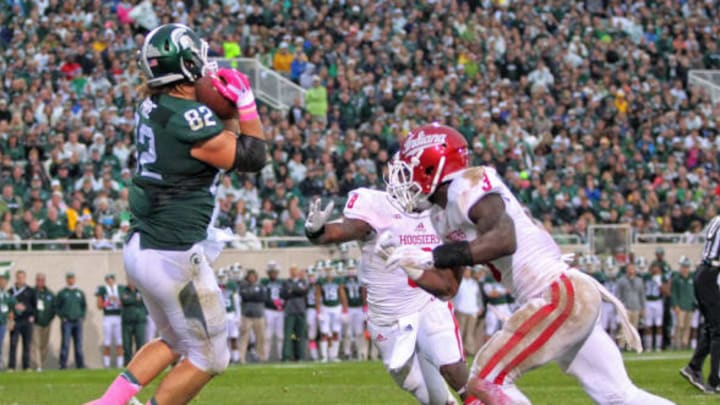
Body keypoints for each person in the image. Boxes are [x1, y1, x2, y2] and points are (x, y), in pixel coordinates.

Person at [383, 123, 672, 405]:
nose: (403, 179)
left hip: (557, 294)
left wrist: (437, 255)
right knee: (618, 396)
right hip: (565, 298)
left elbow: (504, 239)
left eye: (409, 168)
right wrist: (411, 266)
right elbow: (447, 286)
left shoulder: (466, 184)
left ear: (434, 166)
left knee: (485, 379)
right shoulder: (439, 214)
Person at [86, 23, 267, 405]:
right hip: (174, 256)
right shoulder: (188, 119)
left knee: (174, 338)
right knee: (211, 356)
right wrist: (246, 105)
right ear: (184, 64)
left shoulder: (154, 105)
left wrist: (226, 111)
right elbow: (251, 157)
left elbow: (223, 146)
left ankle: (109, 402)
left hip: (142, 248)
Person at [305, 187, 478, 404]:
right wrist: (317, 232)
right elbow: (343, 230)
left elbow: (448, 288)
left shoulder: (447, 215)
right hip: (387, 318)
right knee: (421, 388)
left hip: (427, 303)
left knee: (452, 367)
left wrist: (413, 264)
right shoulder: (377, 204)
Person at [681, 216, 720, 393]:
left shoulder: (716, 219)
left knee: (711, 327)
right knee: (718, 330)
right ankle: (715, 381)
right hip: (712, 274)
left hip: (704, 273)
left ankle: (694, 367)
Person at [315, 262, 347, 363]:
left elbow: (342, 295)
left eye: (330, 270)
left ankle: (334, 355)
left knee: (336, 332)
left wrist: (344, 311)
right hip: (325, 307)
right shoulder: (321, 281)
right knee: (324, 332)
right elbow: (317, 296)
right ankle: (324, 356)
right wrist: (318, 311)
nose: (329, 272)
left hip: (336, 307)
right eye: (327, 270)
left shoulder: (338, 280)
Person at [56, 272, 86, 369]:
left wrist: (82, 315)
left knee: (78, 344)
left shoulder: (79, 293)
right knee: (65, 343)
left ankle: (80, 364)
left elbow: (83, 306)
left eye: (72, 278)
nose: (71, 280)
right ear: (66, 280)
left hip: (77, 321)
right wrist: (62, 316)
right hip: (67, 321)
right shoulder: (62, 293)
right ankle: (63, 364)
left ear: (74, 279)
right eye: (69, 278)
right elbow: (57, 307)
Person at [8, 269, 35, 371]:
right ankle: (11, 366)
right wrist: (13, 310)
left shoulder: (30, 291)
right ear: (16, 278)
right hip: (15, 321)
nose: (20, 279)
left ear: (25, 278)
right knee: (13, 343)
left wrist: (26, 308)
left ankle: (26, 366)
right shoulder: (11, 291)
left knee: (27, 344)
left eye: (22, 277)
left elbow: (34, 306)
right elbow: (7, 305)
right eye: (18, 277)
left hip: (26, 321)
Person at [280, 264, 309, 361]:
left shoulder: (302, 281)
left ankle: (300, 355)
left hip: (300, 309)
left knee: (300, 335)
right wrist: (295, 291)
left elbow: (304, 291)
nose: (293, 272)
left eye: (295, 270)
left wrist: (292, 290)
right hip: (290, 310)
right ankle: (287, 355)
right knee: (289, 335)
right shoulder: (286, 282)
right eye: (291, 270)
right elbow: (283, 294)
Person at [238, 270, 266, 364]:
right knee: (244, 337)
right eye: (250, 276)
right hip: (247, 315)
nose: (251, 278)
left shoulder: (260, 286)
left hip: (258, 315)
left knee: (260, 337)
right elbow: (244, 296)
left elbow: (262, 298)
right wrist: (253, 295)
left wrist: (251, 295)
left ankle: (261, 357)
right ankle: (241, 358)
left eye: (253, 276)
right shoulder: (244, 286)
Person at [341, 259, 367, 360]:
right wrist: (344, 310)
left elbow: (364, 292)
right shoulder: (343, 280)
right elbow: (342, 295)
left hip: (359, 308)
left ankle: (362, 352)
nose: (351, 271)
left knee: (359, 332)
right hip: (350, 308)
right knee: (347, 332)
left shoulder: (360, 279)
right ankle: (347, 352)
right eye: (349, 269)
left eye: (352, 268)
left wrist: (365, 307)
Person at [96, 273, 123, 368]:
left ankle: (120, 364)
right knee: (107, 342)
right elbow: (99, 306)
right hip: (107, 317)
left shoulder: (120, 289)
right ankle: (106, 364)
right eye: (108, 279)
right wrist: (107, 301)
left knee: (120, 341)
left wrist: (117, 301)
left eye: (111, 279)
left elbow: (125, 303)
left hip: (119, 316)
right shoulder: (102, 289)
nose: (110, 281)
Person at [453, 267, 482, 355]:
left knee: (470, 333)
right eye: (466, 271)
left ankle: (470, 351)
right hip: (461, 310)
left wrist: (480, 307)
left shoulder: (474, 283)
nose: (467, 273)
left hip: (473, 311)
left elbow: (478, 297)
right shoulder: (459, 282)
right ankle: (456, 351)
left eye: (469, 271)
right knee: (459, 332)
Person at [643, 263, 670, 352]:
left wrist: (659, 283)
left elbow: (666, 292)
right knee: (648, 325)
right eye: (653, 268)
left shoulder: (662, 278)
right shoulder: (646, 277)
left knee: (659, 325)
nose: (655, 270)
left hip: (658, 301)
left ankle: (658, 346)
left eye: (657, 268)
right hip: (648, 301)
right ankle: (648, 346)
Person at [119, 280, 147, 366]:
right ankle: (127, 364)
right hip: (127, 321)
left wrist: (131, 300)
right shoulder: (123, 290)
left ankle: (139, 364)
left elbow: (145, 301)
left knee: (140, 343)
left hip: (140, 320)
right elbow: (124, 300)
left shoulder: (142, 290)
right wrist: (136, 300)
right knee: (127, 344)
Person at [261, 261, 284, 361]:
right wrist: (272, 303)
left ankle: (281, 356)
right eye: (271, 272)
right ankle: (265, 357)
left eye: (275, 272)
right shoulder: (264, 282)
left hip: (280, 311)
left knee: (280, 335)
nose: (273, 274)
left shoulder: (282, 282)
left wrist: (282, 302)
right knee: (267, 335)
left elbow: (285, 294)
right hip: (269, 310)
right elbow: (263, 296)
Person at [32, 273, 56, 371]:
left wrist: (49, 318)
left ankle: (41, 363)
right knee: (36, 344)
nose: (40, 282)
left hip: (47, 323)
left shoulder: (50, 294)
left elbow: (54, 308)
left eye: (42, 280)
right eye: (38, 280)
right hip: (36, 323)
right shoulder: (32, 293)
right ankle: (38, 365)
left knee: (44, 345)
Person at [217, 268, 241, 364]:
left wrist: (238, 315)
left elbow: (236, 302)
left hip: (231, 314)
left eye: (222, 277)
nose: (221, 279)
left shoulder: (231, 286)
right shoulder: (215, 286)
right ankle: (227, 357)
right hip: (221, 315)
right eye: (219, 277)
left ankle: (236, 357)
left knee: (233, 336)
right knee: (224, 338)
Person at [616, 263, 646, 339]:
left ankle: (632, 345)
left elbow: (641, 295)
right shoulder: (621, 281)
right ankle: (622, 345)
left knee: (634, 327)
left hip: (636, 307)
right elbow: (618, 294)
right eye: (629, 269)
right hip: (626, 307)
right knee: (624, 328)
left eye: (632, 269)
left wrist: (643, 307)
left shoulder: (639, 281)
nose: (631, 271)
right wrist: (619, 306)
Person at [482, 272, 512, 345]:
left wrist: (501, 292)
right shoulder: (488, 280)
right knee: (491, 328)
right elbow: (491, 294)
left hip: (504, 306)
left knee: (509, 324)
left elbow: (509, 291)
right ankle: (486, 347)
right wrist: (503, 291)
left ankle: (506, 345)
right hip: (494, 306)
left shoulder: (500, 281)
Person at [671, 257, 695, 350]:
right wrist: (675, 305)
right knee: (679, 325)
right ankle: (677, 343)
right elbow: (674, 293)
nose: (685, 269)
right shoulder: (677, 279)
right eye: (683, 267)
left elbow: (693, 292)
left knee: (687, 326)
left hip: (689, 306)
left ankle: (685, 343)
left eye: (687, 267)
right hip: (681, 306)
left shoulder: (691, 278)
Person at [0, 271, 15, 370]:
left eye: (4, 281)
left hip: (2, 323)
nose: (2, 283)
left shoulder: (7, 295)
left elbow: (12, 307)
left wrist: (11, 319)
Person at [305, 265, 320, 361]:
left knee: (325, 331)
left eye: (312, 275)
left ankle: (327, 354)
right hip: (310, 309)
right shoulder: (305, 286)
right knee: (311, 333)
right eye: (309, 276)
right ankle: (314, 354)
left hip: (322, 308)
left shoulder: (320, 284)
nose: (311, 278)